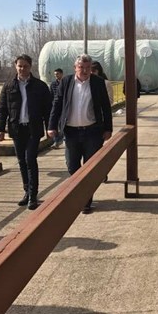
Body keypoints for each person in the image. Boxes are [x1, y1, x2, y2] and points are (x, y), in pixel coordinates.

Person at [47, 54, 113, 214]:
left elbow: (105, 107)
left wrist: (108, 129)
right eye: (81, 67)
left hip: (92, 132)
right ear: (75, 68)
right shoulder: (66, 82)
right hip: (71, 132)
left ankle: (85, 201)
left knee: (90, 168)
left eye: (88, 68)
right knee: (72, 167)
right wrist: (51, 126)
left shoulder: (97, 83)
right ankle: (79, 195)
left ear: (91, 69)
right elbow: (57, 104)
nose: (84, 71)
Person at [0, 54, 52, 210]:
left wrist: (50, 128)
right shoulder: (8, 86)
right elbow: (2, 109)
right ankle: (27, 192)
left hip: (33, 128)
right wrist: (0, 129)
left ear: (30, 67)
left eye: (25, 66)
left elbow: (48, 110)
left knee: (30, 159)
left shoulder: (40, 86)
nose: (22, 69)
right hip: (16, 128)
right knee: (21, 161)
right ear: (15, 66)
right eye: (19, 66)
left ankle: (33, 195)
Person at [49, 68, 64, 148]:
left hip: (63, 107)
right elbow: (51, 95)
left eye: (57, 74)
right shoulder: (53, 84)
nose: (56, 76)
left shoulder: (65, 83)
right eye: (55, 74)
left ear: (61, 74)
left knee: (62, 124)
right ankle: (56, 141)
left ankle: (62, 139)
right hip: (55, 106)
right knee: (54, 124)